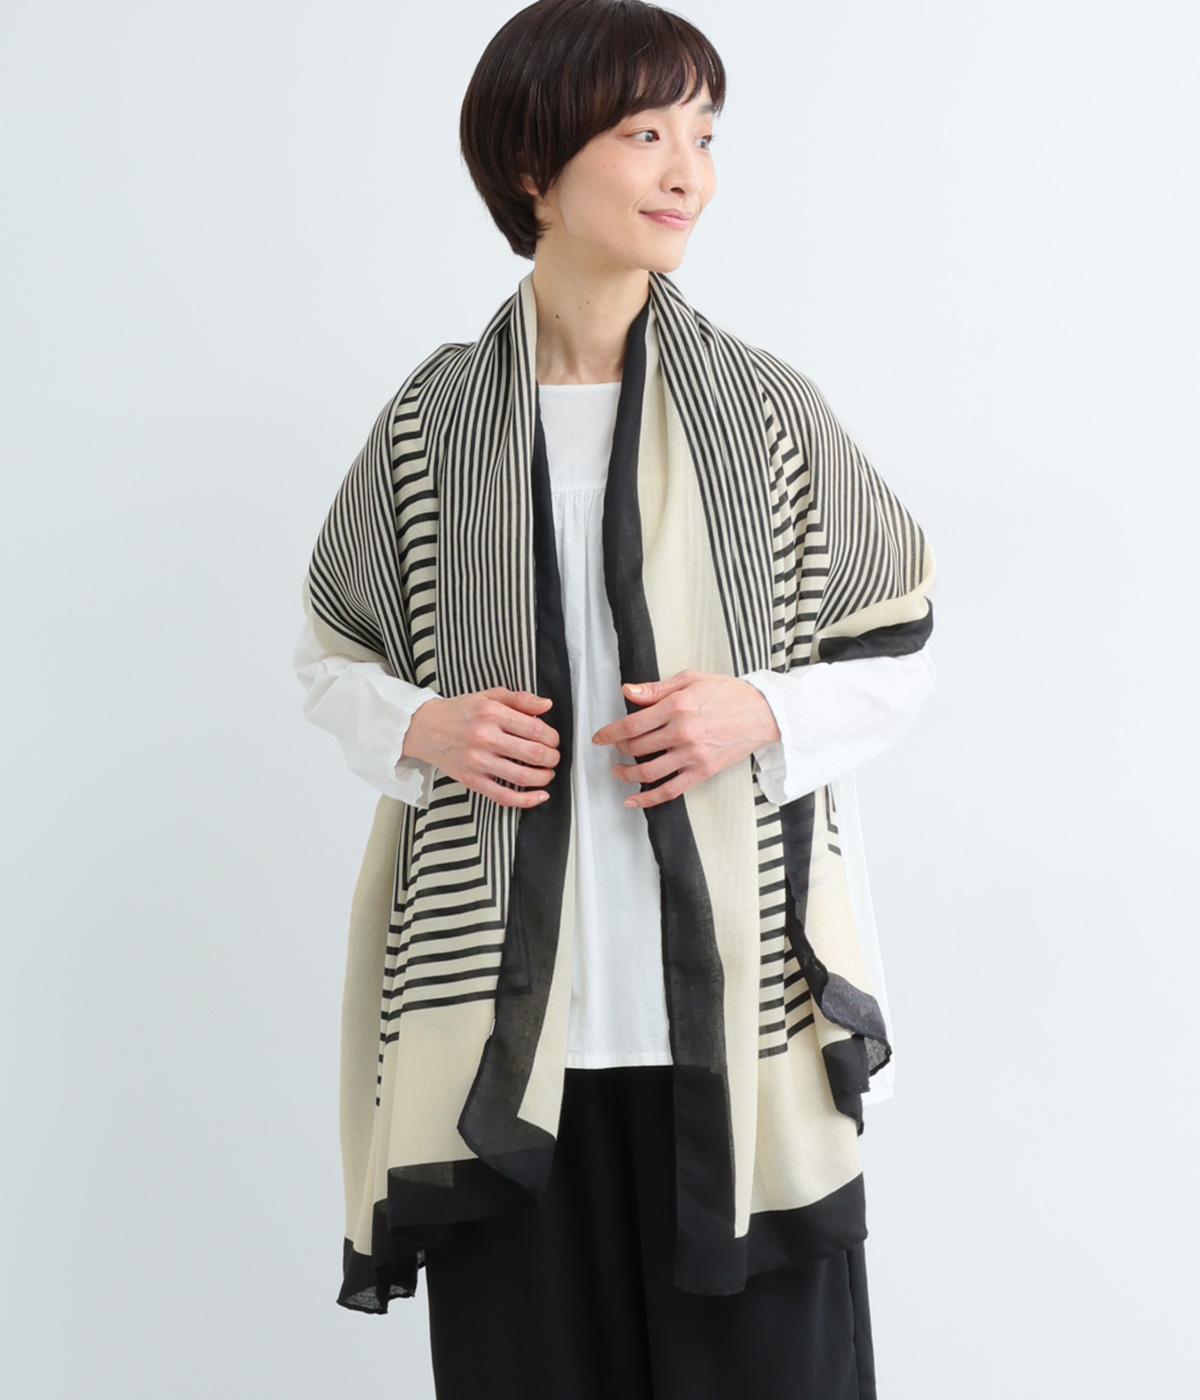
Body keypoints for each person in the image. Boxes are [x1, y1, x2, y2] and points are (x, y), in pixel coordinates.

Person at [293, 2, 937, 1396]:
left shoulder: (765, 414)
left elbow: (898, 650)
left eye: (704, 133)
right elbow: (332, 655)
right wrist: (422, 726)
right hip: (506, 1046)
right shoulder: (432, 426)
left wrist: (760, 711)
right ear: (535, 165)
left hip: (736, 1033)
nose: (686, 170)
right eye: (645, 132)